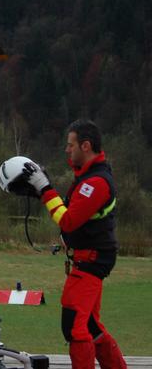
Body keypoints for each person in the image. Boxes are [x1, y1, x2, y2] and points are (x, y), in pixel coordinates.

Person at [23, 119, 127, 369]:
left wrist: (45, 188)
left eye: (71, 145)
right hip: (88, 259)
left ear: (86, 146)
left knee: (74, 327)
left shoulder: (95, 183)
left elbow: (68, 220)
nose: (67, 150)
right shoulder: (89, 178)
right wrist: (41, 189)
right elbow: (72, 214)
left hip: (90, 262)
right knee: (90, 326)